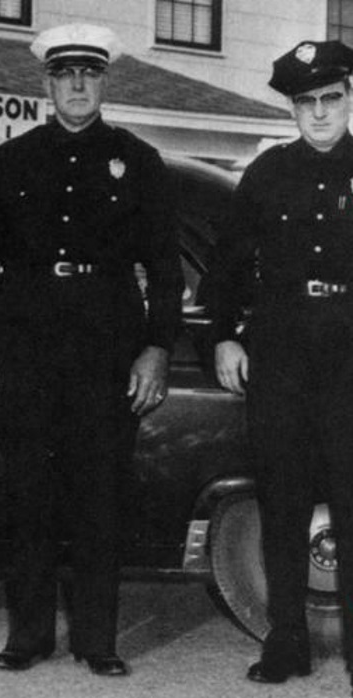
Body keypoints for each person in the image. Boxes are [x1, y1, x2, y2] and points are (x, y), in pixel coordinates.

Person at [0, 23, 182, 677]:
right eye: (65, 74)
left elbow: (165, 269)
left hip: (107, 346)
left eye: (89, 73)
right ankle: (27, 636)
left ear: (105, 81)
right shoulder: (12, 160)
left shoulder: (138, 162)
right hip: (27, 344)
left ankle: (97, 640)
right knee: (28, 495)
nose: (78, 84)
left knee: (98, 498)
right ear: (46, 82)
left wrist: (156, 350)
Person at [209, 40, 353, 688]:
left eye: (331, 98)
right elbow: (228, 267)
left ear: (348, 98)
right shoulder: (266, 175)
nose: (319, 113)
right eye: (306, 102)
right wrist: (224, 337)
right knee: (284, 509)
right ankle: (287, 643)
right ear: (293, 108)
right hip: (284, 357)